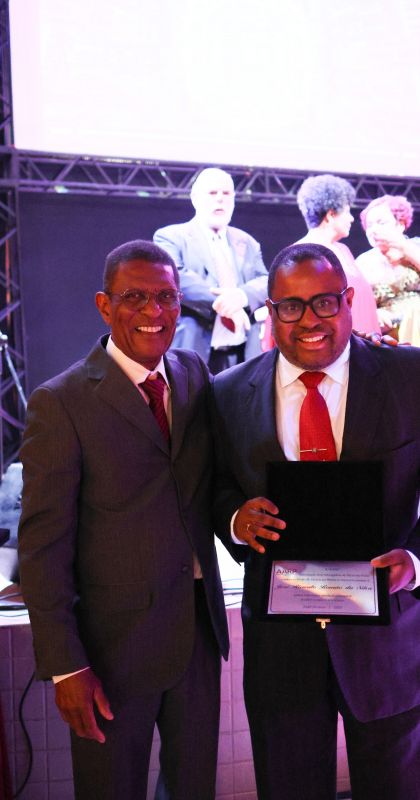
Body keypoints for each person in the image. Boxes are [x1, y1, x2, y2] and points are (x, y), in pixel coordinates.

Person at [18, 240, 229, 800]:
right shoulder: (61, 402)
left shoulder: (192, 373)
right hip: (111, 652)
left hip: (196, 637)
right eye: (135, 297)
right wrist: (66, 667)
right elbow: (42, 549)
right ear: (104, 305)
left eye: (167, 297)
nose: (154, 311)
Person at [211, 242, 420, 800]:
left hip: (387, 644)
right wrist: (234, 518)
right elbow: (215, 484)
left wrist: (416, 560)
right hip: (281, 651)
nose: (309, 320)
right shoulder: (227, 394)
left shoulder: (409, 376)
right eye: (291, 306)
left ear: (348, 301)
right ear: (270, 311)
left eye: (324, 302)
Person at [153, 167, 268, 373]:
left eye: (226, 193)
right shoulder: (170, 237)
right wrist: (227, 303)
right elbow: (175, 278)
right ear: (195, 199)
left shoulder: (247, 242)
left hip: (242, 353)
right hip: (194, 350)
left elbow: (265, 281)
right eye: (213, 193)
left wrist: (241, 296)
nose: (220, 199)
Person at [296, 173, 380, 333]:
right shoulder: (302, 255)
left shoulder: (343, 250)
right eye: (347, 212)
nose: (352, 219)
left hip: (364, 340)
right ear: (331, 215)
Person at [356, 195, 420, 343]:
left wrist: (403, 247)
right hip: (388, 331)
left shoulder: (416, 247)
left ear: (400, 225)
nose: (374, 230)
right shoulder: (363, 263)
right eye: (369, 225)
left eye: (381, 223)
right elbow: (356, 306)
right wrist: (374, 314)